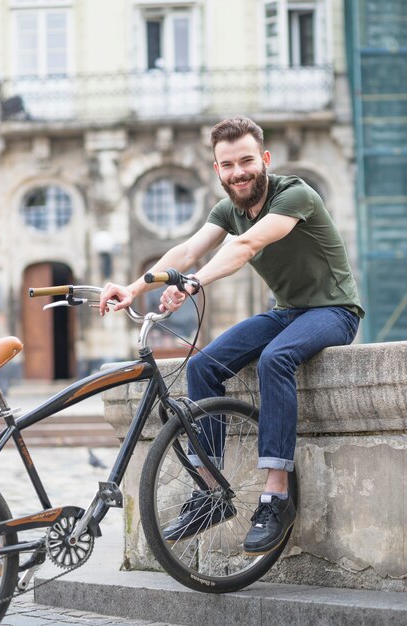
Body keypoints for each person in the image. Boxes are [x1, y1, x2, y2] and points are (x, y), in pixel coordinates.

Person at [99, 116, 364, 556]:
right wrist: (133, 287)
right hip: (286, 313)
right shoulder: (228, 210)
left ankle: (276, 496)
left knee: (277, 358)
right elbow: (186, 250)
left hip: (334, 311)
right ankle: (209, 488)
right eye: (227, 165)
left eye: (246, 161)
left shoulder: (295, 194)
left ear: (264, 159)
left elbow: (245, 247)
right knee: (204, 366)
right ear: (217, 170)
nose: (238, 172)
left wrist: (192, 283)